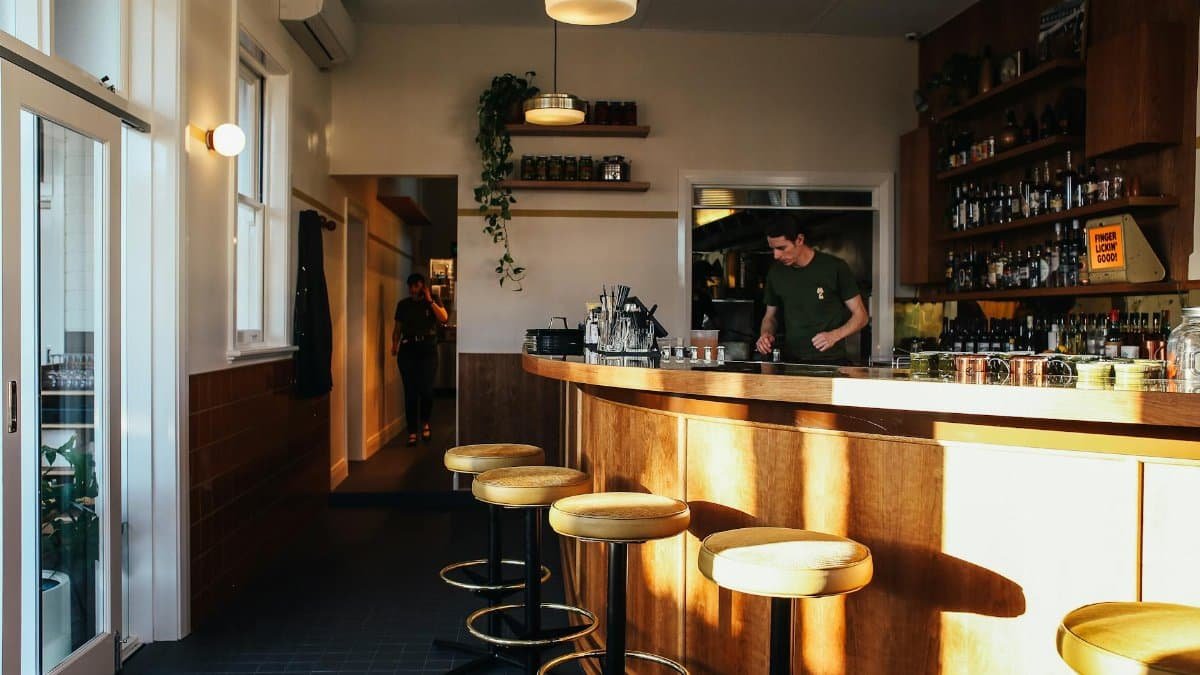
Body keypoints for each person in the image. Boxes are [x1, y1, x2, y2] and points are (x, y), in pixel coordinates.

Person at [755, 216, 869, 365]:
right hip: (791, 363)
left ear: (800, 240)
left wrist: (834, 336)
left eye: (782, 248)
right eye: (773, 249)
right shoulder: (776, 273)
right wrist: (766, 334)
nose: (776, 255)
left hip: (832, 363)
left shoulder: (835, 268)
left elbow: (861, 316)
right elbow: (770, 317)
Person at [391, 273, 449, 446]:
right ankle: (412, 431)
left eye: (416, 286)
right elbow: (397, 328)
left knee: (426, 390)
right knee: (410, 392)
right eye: (410, 286)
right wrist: (394, 345)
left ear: (423, 286)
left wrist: (430, 300)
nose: (412, 289)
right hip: (408, 349)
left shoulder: (432, 301)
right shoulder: (403, 305)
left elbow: (444, 318)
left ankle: (425, 422)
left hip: (428, 350)